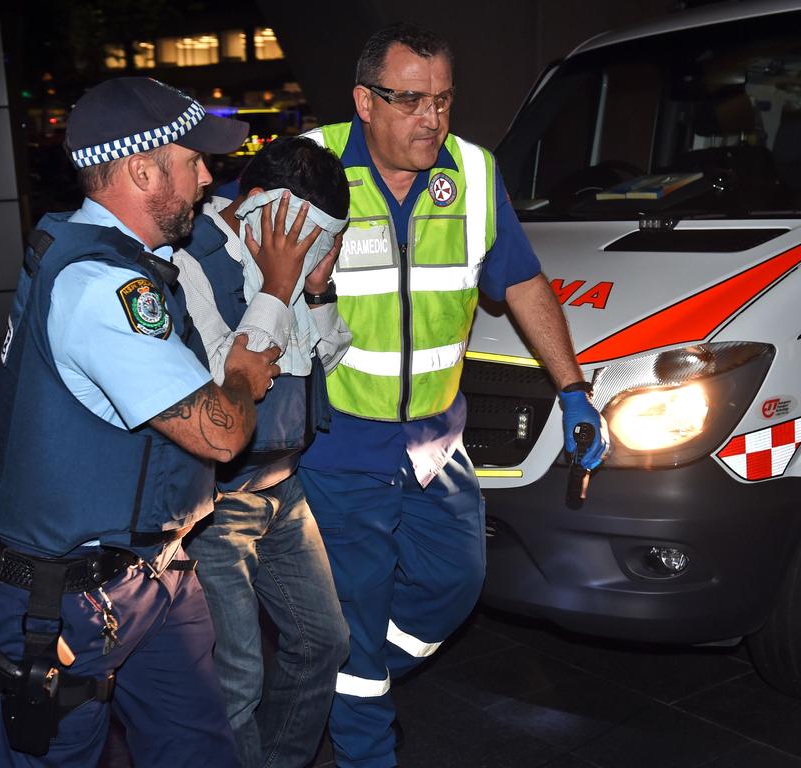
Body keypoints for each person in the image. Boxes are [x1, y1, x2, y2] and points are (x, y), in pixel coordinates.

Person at [296, 23, 611, 768]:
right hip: (339, 445)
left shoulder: (470, 173)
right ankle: (364, 740)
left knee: (454, 584)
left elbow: (523, 280)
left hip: (436, 442)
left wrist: (571, 388)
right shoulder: (310, 168)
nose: (430, 119)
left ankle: (346, 680)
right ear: (363, 102)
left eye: (442, 100)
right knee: (357, 608)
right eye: (409, 100)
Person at [0, 77, 280, 767]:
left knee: (196, 750)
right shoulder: (104, 288)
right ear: (142, 169)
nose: (208, 178)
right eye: (194, 162)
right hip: (59, 600)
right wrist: (245, 369)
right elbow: (219, 431)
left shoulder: (108, 259)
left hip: (144, 577)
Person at [174, 137, 352, 768]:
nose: (308, 254)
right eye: (305, 237)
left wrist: (317, 289)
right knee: (236, 680)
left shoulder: (288, 256)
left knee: (323, 643)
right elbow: (224, 389)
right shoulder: (191, 261)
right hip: (217, 502)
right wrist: (277, 289)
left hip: (284, 487)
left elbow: (319, 364)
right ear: (255, 206)